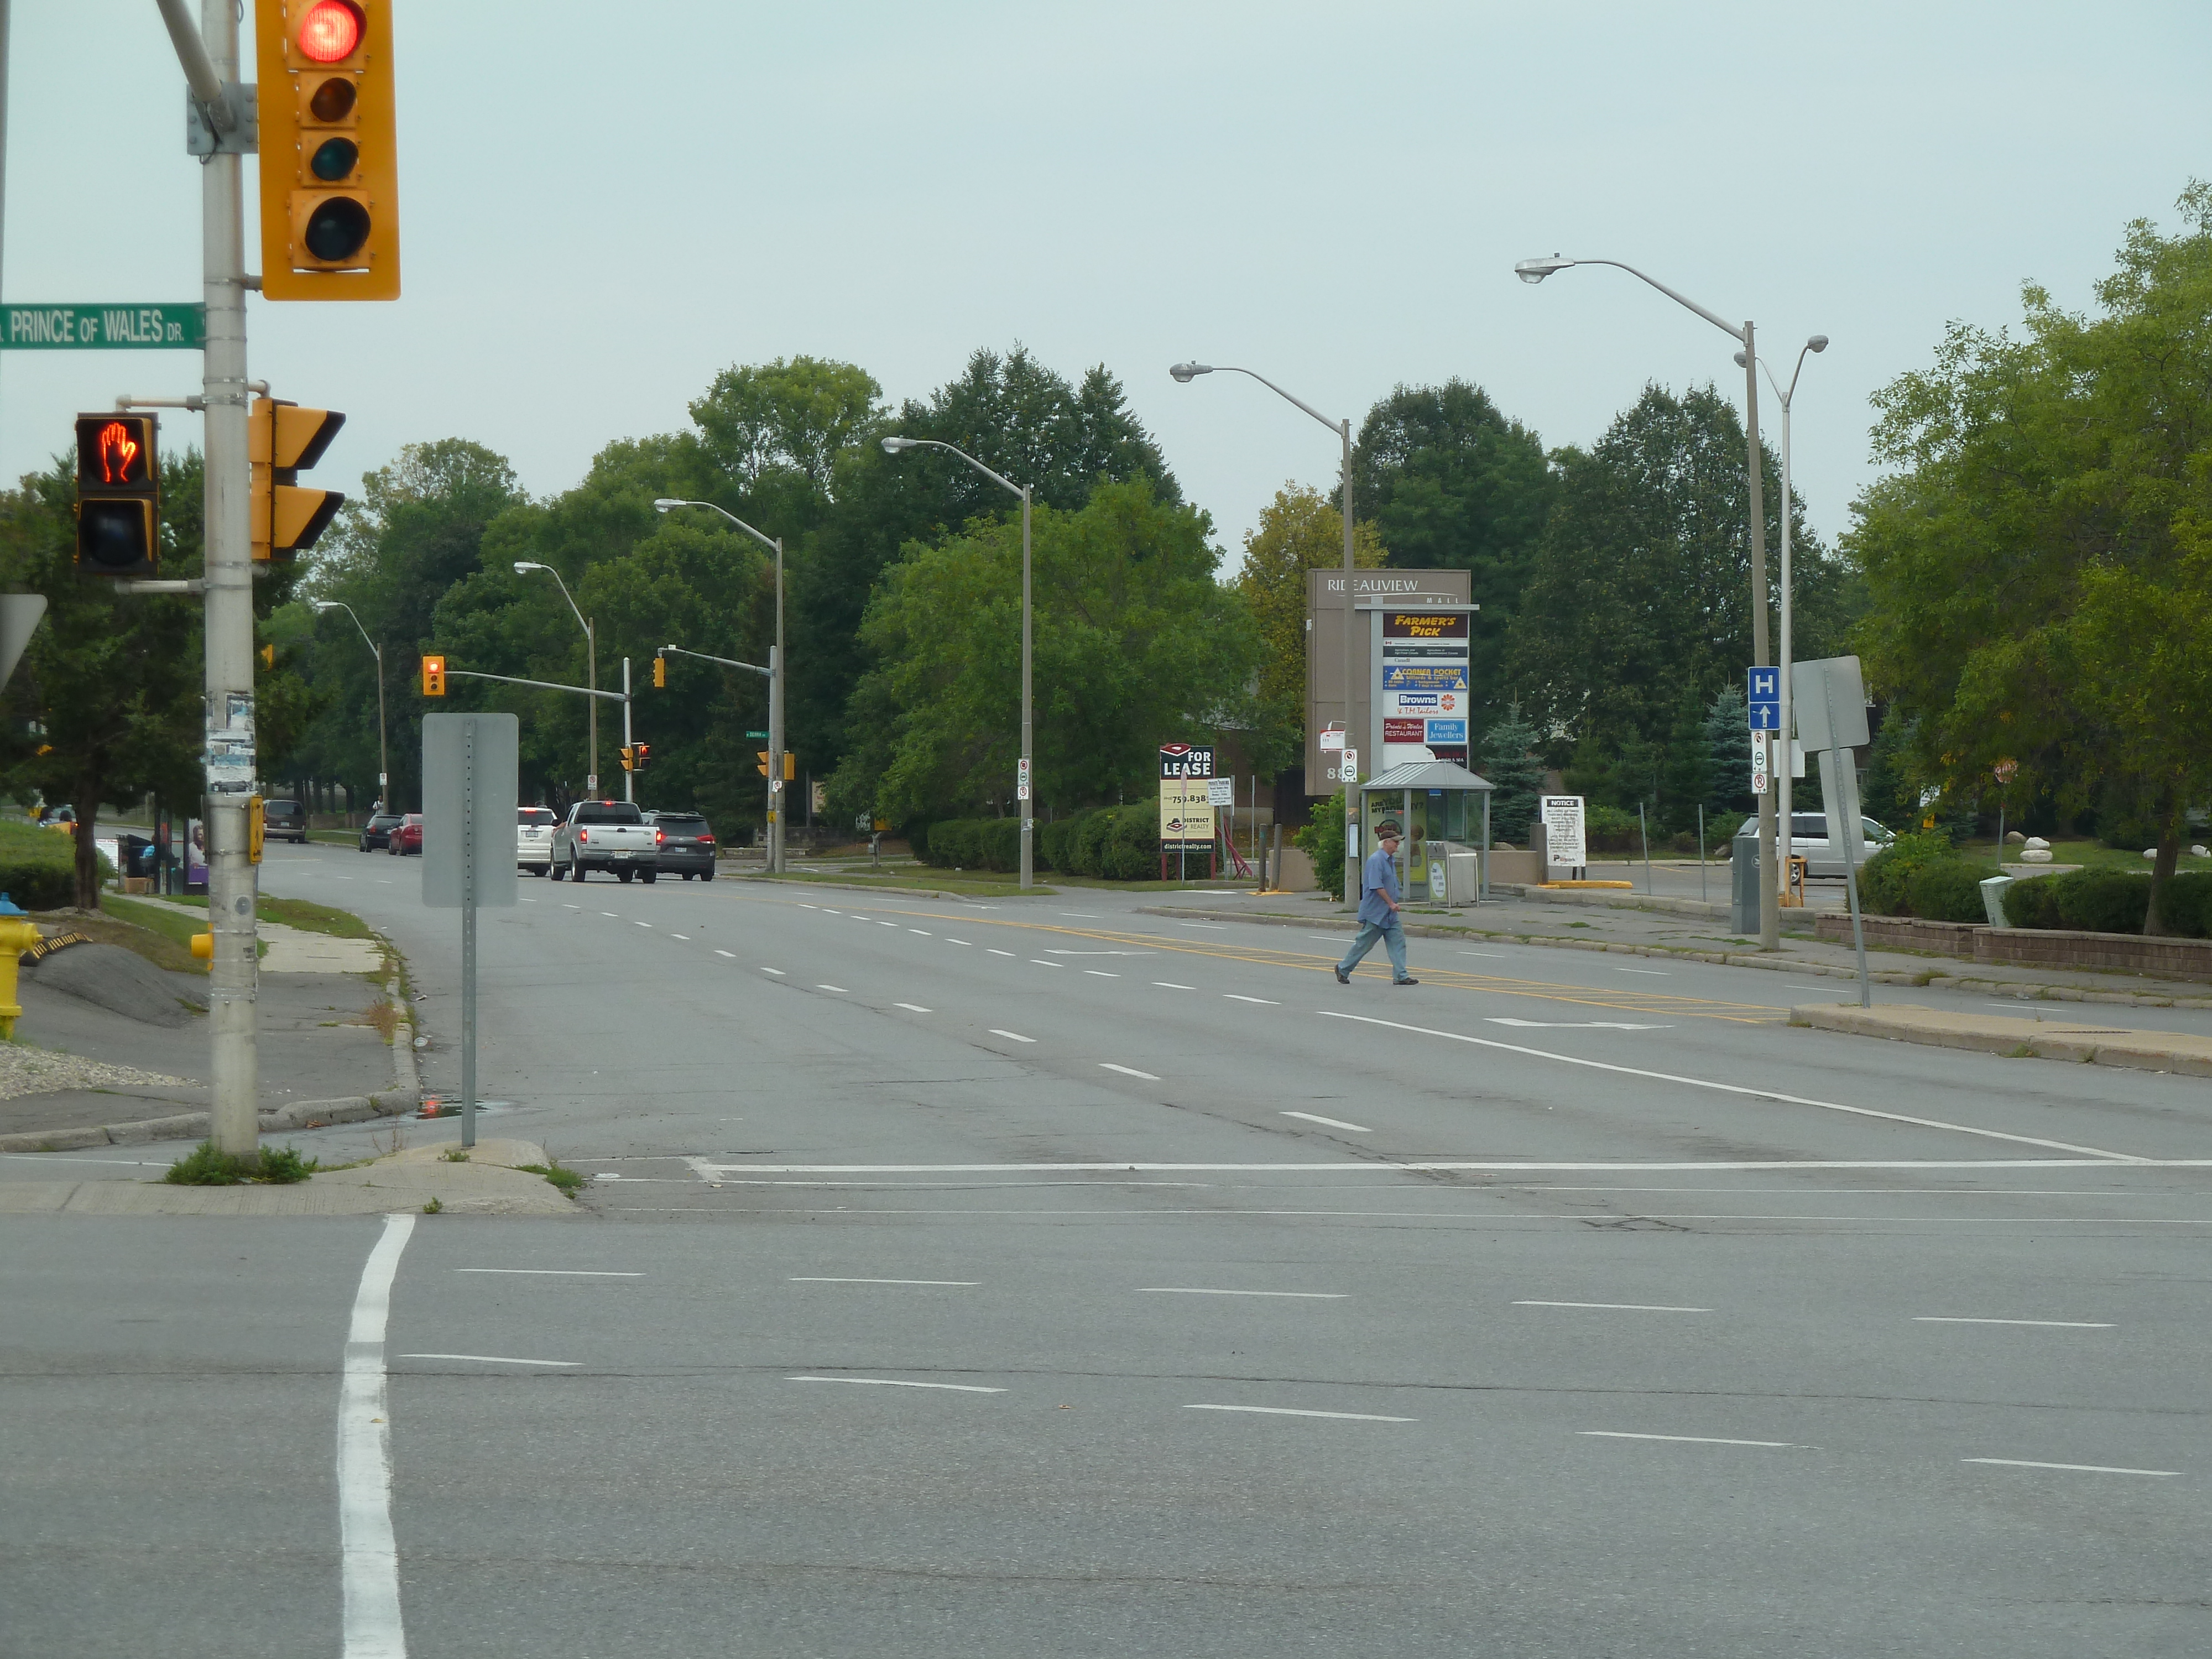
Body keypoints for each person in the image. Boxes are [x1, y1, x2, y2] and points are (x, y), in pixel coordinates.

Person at [1336, 819, 1417, 986]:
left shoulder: (1390, 860)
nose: (1398, 845)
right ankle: (1343, 968)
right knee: (1364, 945)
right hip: (1376, 913)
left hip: (1389, 915)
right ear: (1386, 843)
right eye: (1395, 842)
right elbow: (1376, 886)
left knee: (1398, 942)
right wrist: (1391, 903)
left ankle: (1401, 975)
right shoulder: (1376, 860)